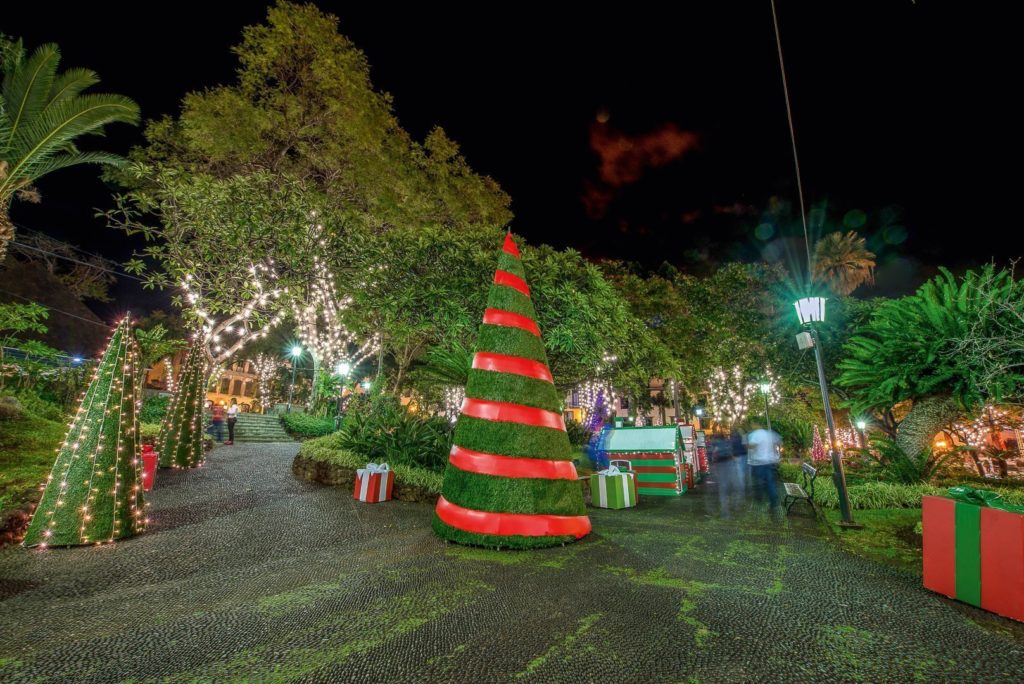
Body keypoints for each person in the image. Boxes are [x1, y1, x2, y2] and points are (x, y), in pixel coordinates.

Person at [746, 419, 781, 510]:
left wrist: (747, 445)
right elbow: (779, 441)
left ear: (755, 424)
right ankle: (773, 501)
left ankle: (759, 500)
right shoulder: (769, 434)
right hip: (769, 462)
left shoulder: (755, 435)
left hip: (759, 463)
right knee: (770, 482)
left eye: (752, 424)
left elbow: (751, 446)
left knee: (759, 482)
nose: (752, 426)